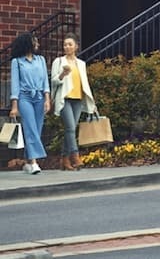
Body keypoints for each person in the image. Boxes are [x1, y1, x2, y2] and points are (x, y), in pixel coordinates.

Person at [50, 33, 98, 171]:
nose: (67, 47)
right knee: (71, 128)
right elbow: (53, 81)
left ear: (76, 46)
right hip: (64, 99)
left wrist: (91, 103)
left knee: (70, 130)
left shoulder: (81, 64)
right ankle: (75, 156)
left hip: (78, 99)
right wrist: (62, 74)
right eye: (65, 44)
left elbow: (85, 84)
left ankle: (64, 161)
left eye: (70, 44)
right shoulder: (58, 62)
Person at [8, 33, 50, 174]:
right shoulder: (17, 62)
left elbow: (45, 81)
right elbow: (15, 84)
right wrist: (14, 105)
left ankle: (27, 161)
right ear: (28, 44)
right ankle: (34, 162)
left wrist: (47, 99)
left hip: (39, 97)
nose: (37, 45)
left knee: (37, 129)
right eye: (35, 42)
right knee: (30, 128)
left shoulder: (41, 60)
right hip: (24, 97)